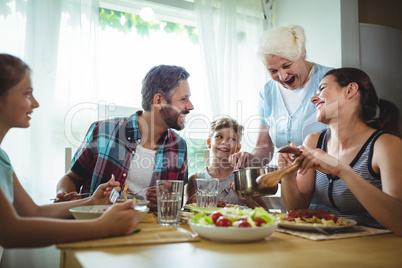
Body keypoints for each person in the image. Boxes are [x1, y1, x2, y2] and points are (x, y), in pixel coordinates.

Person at [0, 54, 139, 248]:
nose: (36, 103)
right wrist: (103, 227)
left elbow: (32, 212)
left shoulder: (2, 158)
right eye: (27, 93)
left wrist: (91, 202)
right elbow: (10, 232)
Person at [270, 67, 402, 235]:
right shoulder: (315, 141)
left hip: (379, 248)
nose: (313, 98)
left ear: (350, 90)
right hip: (333, 244)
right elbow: (297, 208)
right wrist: (288, 173)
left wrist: (343, 170)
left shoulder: (385, 145)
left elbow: (399, 222)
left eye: (323, 88)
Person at [56, 65, 194, 211]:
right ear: (159, 100)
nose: (190, 106)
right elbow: (71, 178)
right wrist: (64, 195)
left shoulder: (179, 146)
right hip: (99, 226)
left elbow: (177, 202)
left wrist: (169, 199)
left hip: (153, 230)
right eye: (184, 99)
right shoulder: (103, 132)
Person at [229, 25, 333, 168]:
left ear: (303, 54)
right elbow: (264, 148)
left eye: (287, 65)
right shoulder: (267, 93)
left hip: (329, 181)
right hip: (290, 185)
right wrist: (250, 158)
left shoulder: (331, 80)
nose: (283, 76)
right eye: (273, 70)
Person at [185, 117, 268, 209]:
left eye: (232, 139)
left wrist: (246, 199)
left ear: (238, 148)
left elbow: (266, 212)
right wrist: (191, 202)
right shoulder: (195, 179)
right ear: (209, 143)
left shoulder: (243, 179)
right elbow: (186, 212)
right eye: (219, 137)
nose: (225, 142)